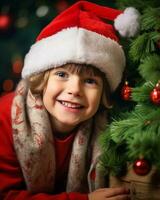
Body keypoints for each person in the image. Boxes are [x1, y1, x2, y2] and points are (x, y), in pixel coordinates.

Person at [0, 1, 140, 199]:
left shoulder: (107, 127)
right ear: (42, 81)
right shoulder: (7, 117)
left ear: (104, 94)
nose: (75, 90)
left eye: (90, 81)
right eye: (62, 74)